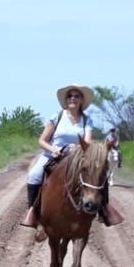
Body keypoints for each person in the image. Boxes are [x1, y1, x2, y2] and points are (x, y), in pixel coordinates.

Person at [20, 83, 95, 241]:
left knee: (98, 175)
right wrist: (53, 149)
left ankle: (104, 211)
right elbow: (42, 140)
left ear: (82, 100)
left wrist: (80, 148)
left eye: (76, 96)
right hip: (53, 155)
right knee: (33, 176)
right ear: (66, 99)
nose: (73, 98)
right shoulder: (57, 116)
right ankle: (35, 215)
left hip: (76, 157)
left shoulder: (87, 120)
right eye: (70, 96)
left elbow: (87, 142)